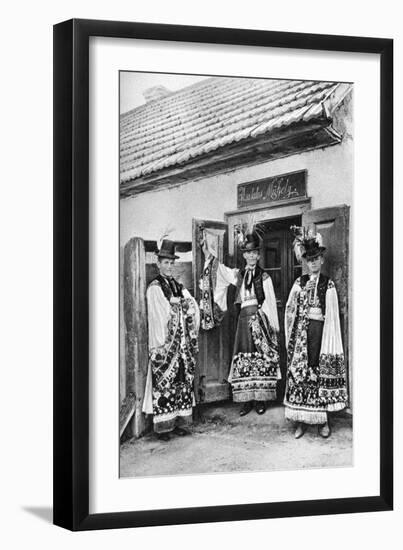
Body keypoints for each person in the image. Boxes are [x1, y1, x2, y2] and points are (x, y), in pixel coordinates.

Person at [201, 229, 280, 416]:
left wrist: (268, 325)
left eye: (255, 253)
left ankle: (260, 399)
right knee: (245, 356)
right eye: (248, 253)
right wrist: (208, 256)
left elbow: (269, 302)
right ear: (244, 255)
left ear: (258, 255)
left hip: (260, 319)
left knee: (260, 356)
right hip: (243, 321)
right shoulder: (239, 275)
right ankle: (246, 400)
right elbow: (220, 271)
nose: (252, 256)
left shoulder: (265, 277)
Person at [283, 231, 348, 439]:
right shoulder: (299, 283)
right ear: (305, 262)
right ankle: (301, 420)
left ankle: (323, 421)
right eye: (309, 260)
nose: (312, 263)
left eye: (315, 259)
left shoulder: (328, 284)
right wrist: (302, 294)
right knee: (301, 371)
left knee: (318, 371)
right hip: (301, 333)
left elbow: (331, 316)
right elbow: (289, 310)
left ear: (321, 260)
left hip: (319, 332)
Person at [142, 239, 200, 441]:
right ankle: (164, 426)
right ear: (158, 263)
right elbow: (160, 315)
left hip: (181, 344)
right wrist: (175, 306)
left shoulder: (177, 285)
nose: (168, 266)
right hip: (167, 346)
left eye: (170, 263)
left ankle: (178, 421)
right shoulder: (155, 287)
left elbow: (191, 304)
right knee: (166, 382)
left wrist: (182, 304)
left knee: (181, 380)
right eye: (164, 262)